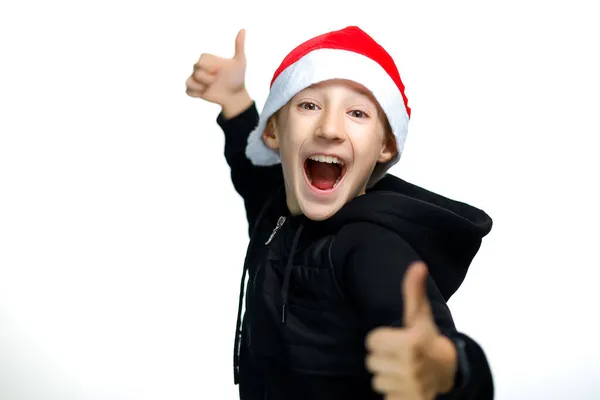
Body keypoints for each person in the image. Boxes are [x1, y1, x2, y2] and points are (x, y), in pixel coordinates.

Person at [186, 26, 494, 400]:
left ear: (386, 145)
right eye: (309, 105)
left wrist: (449, 368)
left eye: (357, 112)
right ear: (273, 132)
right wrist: (234, 101)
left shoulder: (371, 247)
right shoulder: (277, 212)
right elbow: (253, 176)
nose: (330, 128)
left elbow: (427, 339)